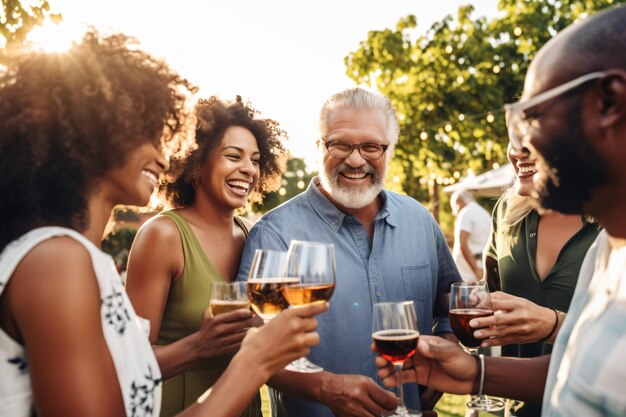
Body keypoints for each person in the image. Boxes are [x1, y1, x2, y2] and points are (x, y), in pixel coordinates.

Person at [0, 30, 325, 417]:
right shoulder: (57, 261)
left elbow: (120, 384)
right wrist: (251, 361)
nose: (166, 153)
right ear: (92, 133)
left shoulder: (77, 258)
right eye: (150, 133)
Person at [375, 5, 626, 417]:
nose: (522, 145)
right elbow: (573, 367)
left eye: (533, 116)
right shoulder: (608, 254)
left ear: (609, 103)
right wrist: (472, 374)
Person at [236, 87, 462, 417]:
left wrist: (448, 346)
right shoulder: (275, 235)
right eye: (340, 144)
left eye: (371, 146)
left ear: (390, 150)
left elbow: (452, 302)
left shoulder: (419, 220)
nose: (355, 160)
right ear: (317, 147)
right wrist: (325, 388)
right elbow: (251, 347)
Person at [125, 96, 287, 417]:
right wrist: (198, 346)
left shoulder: (253, 234)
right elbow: (127, 362)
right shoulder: (163, 235)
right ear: (196, 163)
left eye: (255, 160)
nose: (248, 170)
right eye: (233, 156)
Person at [481, 144, 600, 416]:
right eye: (513, 137)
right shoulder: (507, 213)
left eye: (532, 134)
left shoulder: (614, 222)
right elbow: (487, 301)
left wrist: (554, 324)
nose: (517, 150)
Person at [450, 190, 492, 282]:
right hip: (480, 265)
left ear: (459, 201)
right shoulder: (484, 212)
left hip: (466, 273)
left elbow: (462, 243)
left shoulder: (465, 212)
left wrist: (476, 270)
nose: (453, 213)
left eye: (453, 207)